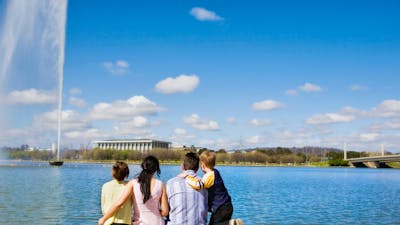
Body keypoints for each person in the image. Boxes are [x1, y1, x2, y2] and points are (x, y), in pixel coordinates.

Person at [98, 156, 169, 225]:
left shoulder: (133, 183)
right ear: (156, 169)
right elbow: (165, 212)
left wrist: (103, 219)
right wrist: (154, 211)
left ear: (143, 166)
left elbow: (119, 203)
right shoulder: (161, 185)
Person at [181, 150, 242, 225]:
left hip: (220, 207)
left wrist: (187, 177)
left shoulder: (209, 175)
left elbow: (198, 185)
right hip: (226, 206)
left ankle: (231, 223)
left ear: (203, 165)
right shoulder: (214, 172)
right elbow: (204, 182)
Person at [166, 152, 208, 225]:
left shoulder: (171, 183)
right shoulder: (204, 183)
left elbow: (165, 209)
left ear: (182, 166)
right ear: (198, 168)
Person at [101, 161, 132, 225]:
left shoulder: (105, 186)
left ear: (113, 173)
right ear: (126, 174)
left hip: (107, 221)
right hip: (124, 222)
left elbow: (103, 207)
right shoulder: (130, 186)